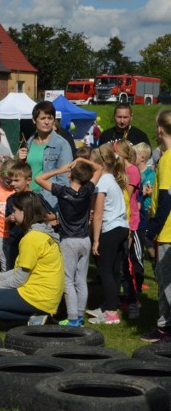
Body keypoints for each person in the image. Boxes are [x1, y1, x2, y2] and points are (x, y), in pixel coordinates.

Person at [0, 191, 64, 325]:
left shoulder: (31, 239)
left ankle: (34, 320)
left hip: (37, 296)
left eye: (15, 211)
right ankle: (37, 316)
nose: (12, 215)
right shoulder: (43, 232)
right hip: (48, 295)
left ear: (24, 211)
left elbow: (19, 279)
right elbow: (19, 271)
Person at [36, 158, 101, 327]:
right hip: (84, 239)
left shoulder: (62, 191)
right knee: (81, 279)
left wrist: (59, 170)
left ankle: (72, 318)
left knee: (68, 280)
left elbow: (39, 179)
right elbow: (99, 168)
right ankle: (79, 315)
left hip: (68, 241)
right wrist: (82, 159)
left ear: (70, 174)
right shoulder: (87, 190)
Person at [86, 144, 130, 325]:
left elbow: (98, 215)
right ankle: (110, 304)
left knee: (104, 270)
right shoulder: (112, 179)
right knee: (113, 270)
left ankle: (111, 313)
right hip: (121, 228)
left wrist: (95, 240)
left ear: (100, 165)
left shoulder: (102, 182)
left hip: (110, 229)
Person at [141, 108, 171, 343]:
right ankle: (164, 327)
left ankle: (166, 329)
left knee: (167, 283)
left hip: (167, 231)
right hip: (166, 230)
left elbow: (167, 197)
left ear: (159, 130)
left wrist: (153, 229)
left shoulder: (167, 159)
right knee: (163, 281)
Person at [18, 101, 73, 212]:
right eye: (43, 118)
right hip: (28, 197)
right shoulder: (29, 142)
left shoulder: (61, 144)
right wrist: (20, 161)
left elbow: (64, 180)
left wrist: (58, 208)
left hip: (48, 200)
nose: (47, 122)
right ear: (34, 120)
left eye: (50, 118)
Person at [114, 139, 143, 319]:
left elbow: (126, 194)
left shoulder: (131, 170)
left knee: (131, 262)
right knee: (122, 261)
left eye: (115, 152)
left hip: (130, 220)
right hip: (120, 219)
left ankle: (134, 298)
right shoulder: (119, 170)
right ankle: (126, 297)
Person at [4, 162, 33, 274]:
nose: (13, 184)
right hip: (14, 241)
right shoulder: (10, 199)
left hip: (30, 241)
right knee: (13, 271)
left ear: (28, 180)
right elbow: (5, 220)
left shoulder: (34, 198)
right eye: (11, 180)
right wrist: (9, 218)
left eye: (17, 181)